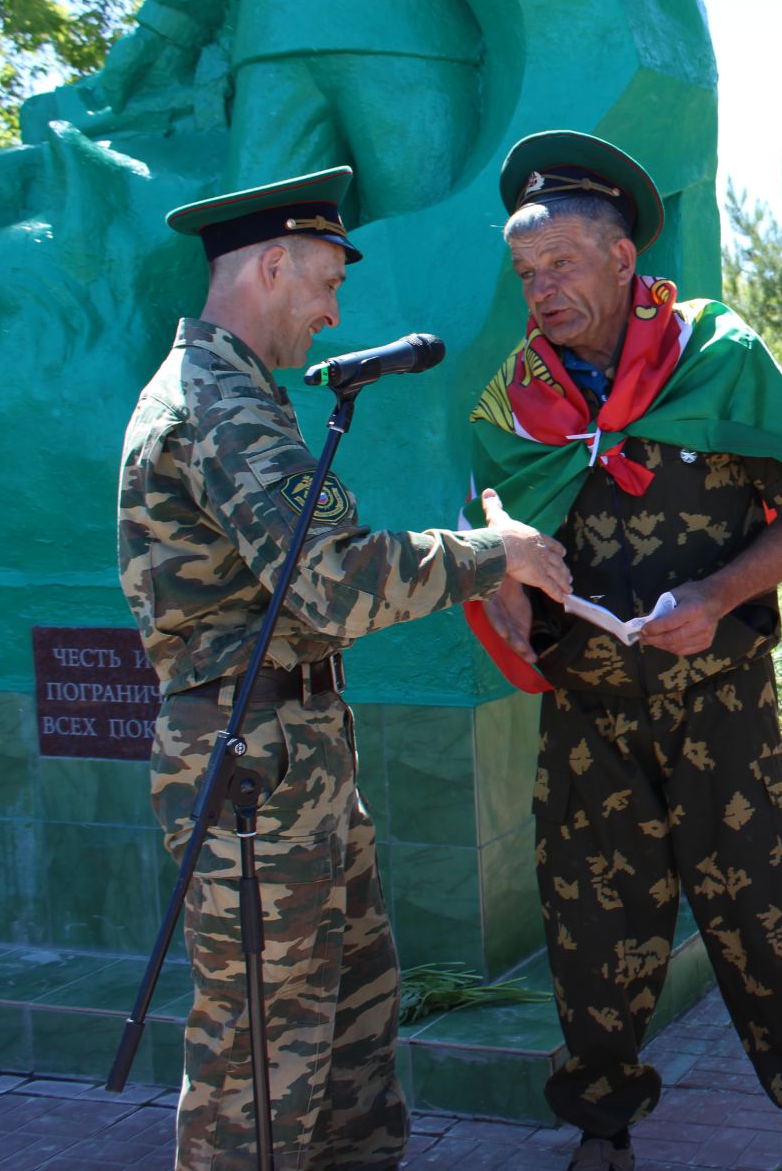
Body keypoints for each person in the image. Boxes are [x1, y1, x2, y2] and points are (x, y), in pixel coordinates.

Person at [117, 165, 574, 1169]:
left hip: (294, 760)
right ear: (272, 266)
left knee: (350, 1031)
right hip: (252, 777)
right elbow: (328, 581)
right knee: (263, 1067)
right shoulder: (217, 405)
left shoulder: (242, 394)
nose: (331, 314)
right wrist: (495, 555)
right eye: (325, 283)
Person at [463, 131, 782, 1171]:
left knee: (762, 911)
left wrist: (718, 589)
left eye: (560, 263)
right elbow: (491, 517)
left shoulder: (719, 358)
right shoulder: (514, 397)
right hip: (590, 708)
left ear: (622, 257)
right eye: (526, 272)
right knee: (591, 925)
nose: (542, 287)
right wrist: (505, 578)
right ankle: (602, 1129)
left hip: (721, 698)